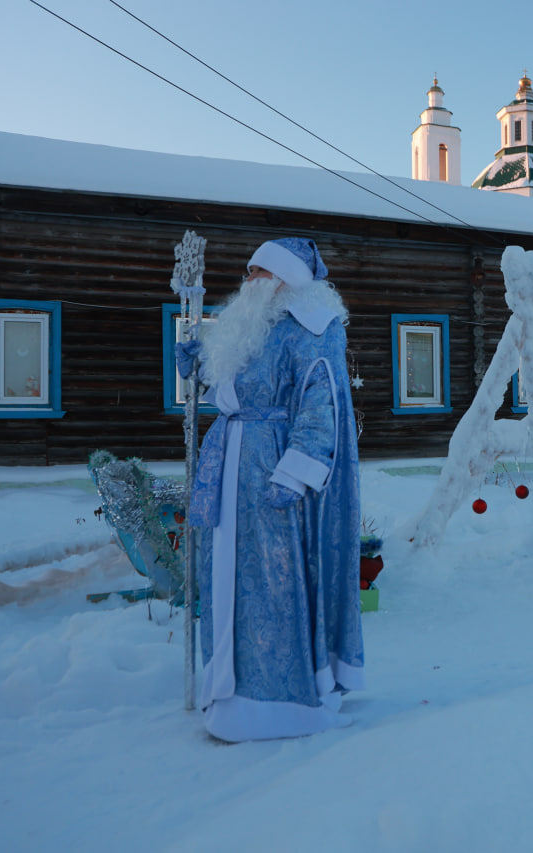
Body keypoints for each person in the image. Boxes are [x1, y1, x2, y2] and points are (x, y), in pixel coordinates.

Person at [178, 237, 363, 742]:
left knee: (270, 586)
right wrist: (199, 366)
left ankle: (279, 704)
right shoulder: (253, 326)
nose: (249, 279)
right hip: (232, 469)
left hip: (270, 472)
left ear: (284, 279)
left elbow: (320, 404)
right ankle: (226, 691)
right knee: (226, 579)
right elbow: (232, 392)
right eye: (249, 269)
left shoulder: (313, 329)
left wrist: (294, 473)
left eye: (259, 271)